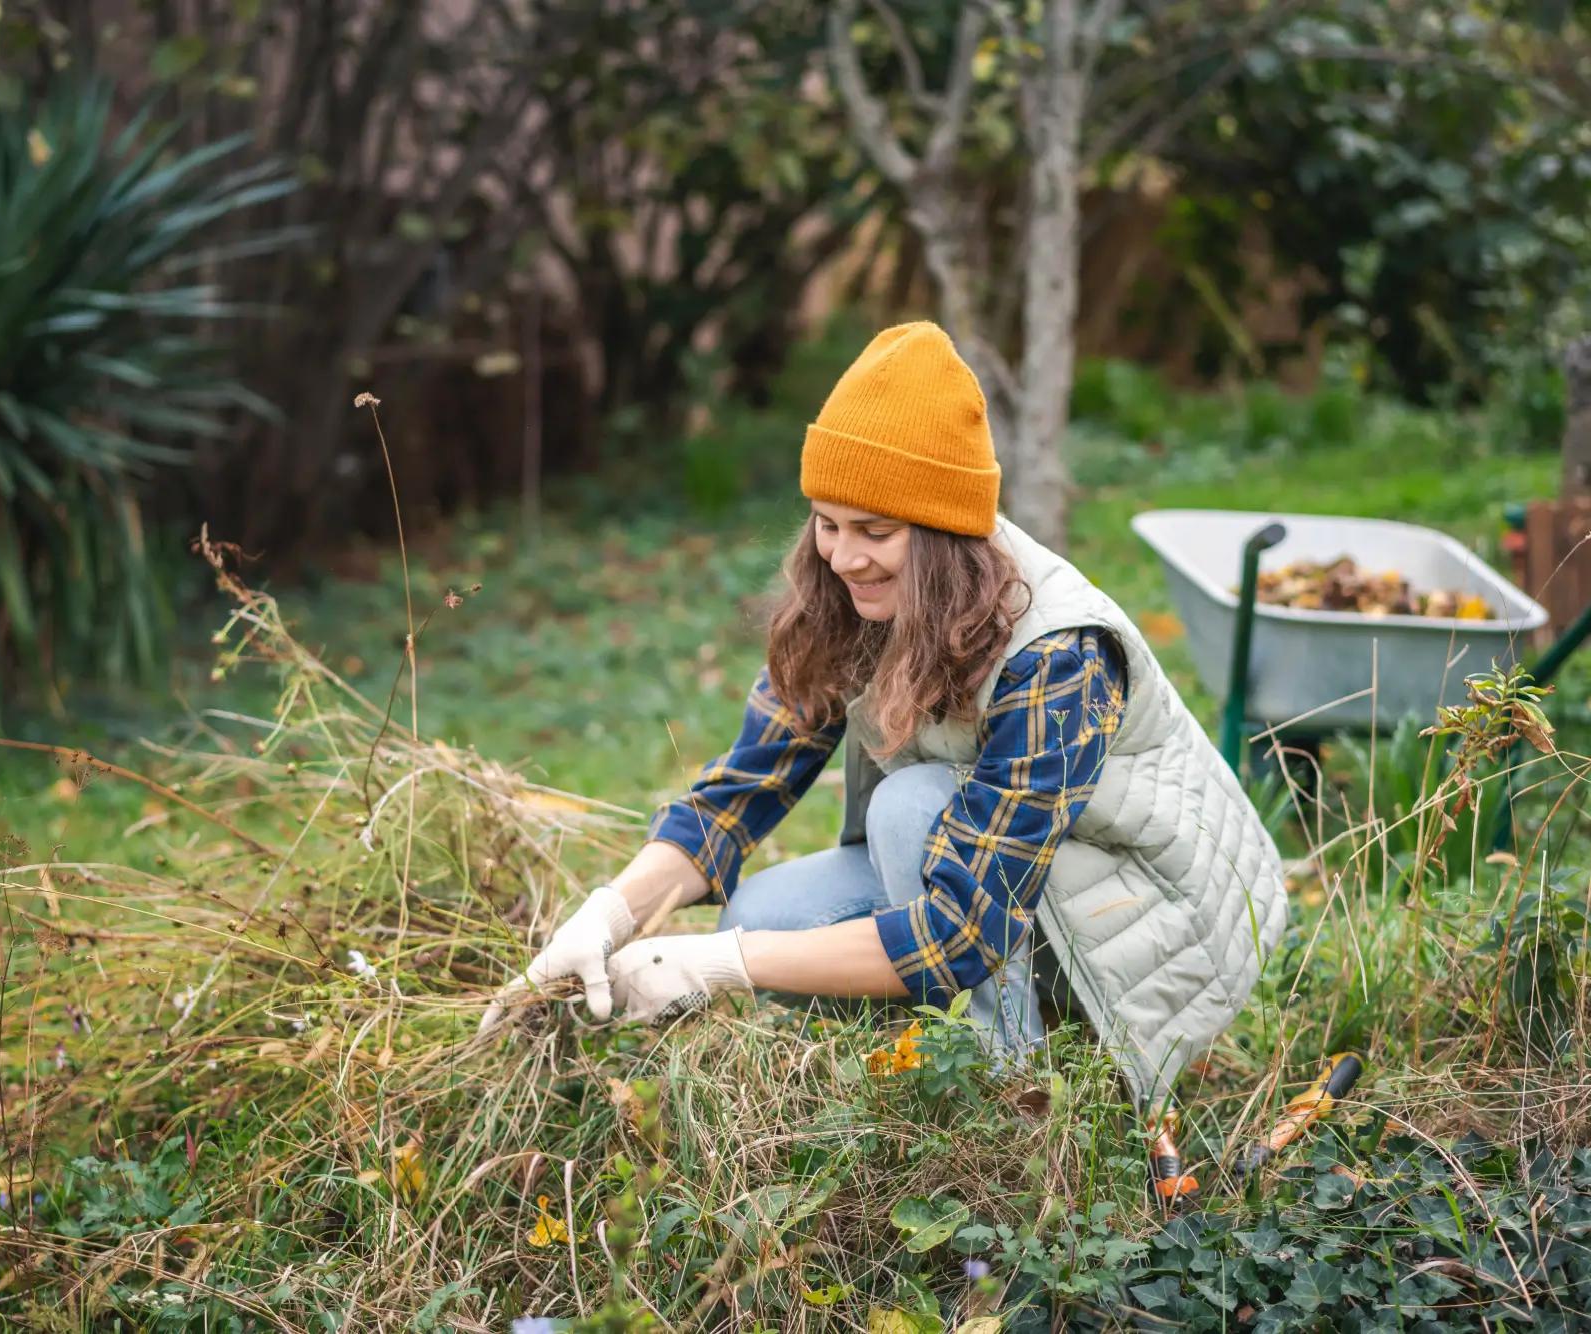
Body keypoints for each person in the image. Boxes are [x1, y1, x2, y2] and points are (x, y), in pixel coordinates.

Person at [478, 321, 1287, 1121]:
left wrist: (717, 965)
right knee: (764, 919)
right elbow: (741, 795)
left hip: (1146, 918)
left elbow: (961, 932)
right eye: (827, 524)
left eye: (875, 531)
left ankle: (1021, 1105)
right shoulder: (849, 602)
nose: (843, 556)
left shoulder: (1059, 652)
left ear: (944, 534)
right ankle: (947, 1052)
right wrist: (611, 916)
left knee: (908, 809)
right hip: (1006, 884)